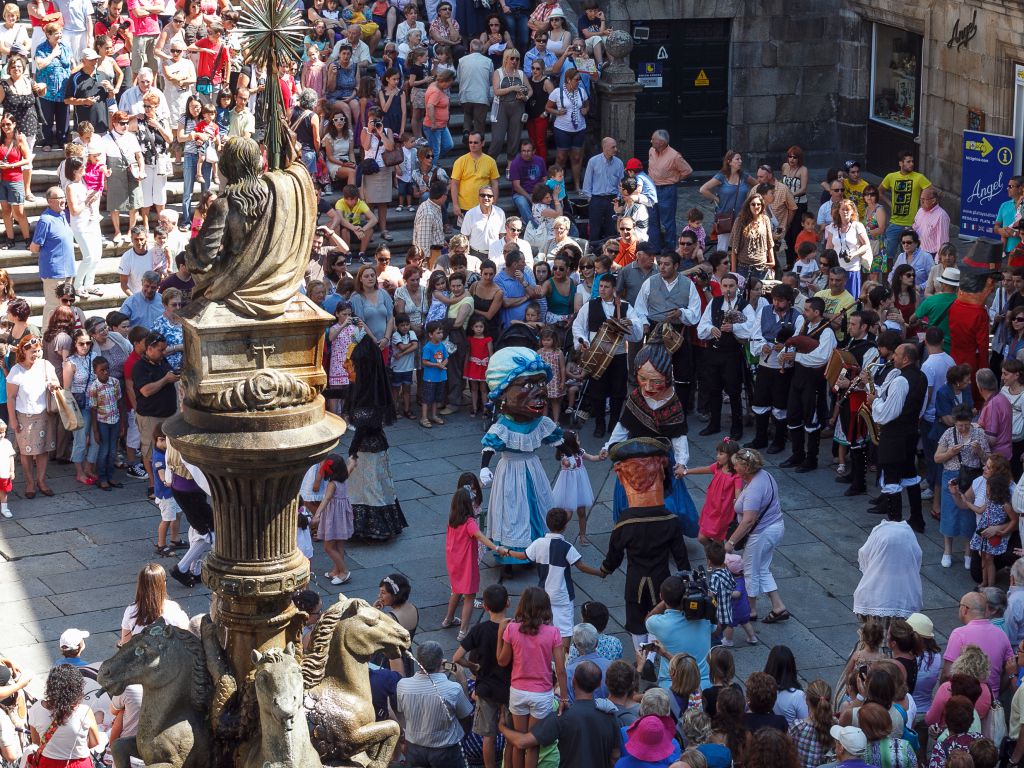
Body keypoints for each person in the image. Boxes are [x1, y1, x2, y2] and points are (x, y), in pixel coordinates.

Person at [499, 660, 621, 768]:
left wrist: (502, 728)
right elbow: (615, 756)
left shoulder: (562, 716)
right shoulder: (610, 716)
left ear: (573, 682)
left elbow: (523, 742)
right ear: (599, 684)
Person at [454, 583, 511, 768]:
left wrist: (473, 666)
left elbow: (457, 657)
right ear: (508, 603)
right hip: (511, 688)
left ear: (485, 607)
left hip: (486, 688)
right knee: (511, 733)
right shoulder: (514, 628)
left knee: (488, 735)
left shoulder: (479, 630)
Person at [778, 297, 837, 472]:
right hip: (798, 378)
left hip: (814, 381)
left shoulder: (826, 332)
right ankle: (797, 454)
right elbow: (794, 341)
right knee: (793, 415)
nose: (804, 312)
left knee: (812, 419)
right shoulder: (804, 325)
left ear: (817, 312)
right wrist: (784, 353)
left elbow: (821, 358)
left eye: (808, 310)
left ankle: (811, 459)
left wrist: (796, 357)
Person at [696, 273, 755, 439]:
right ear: (721, 287)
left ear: (737, 288)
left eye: (731, 286)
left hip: (732, 354)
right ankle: (713, 424)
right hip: (713, 353)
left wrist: (734, 328)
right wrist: (710, 329)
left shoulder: (744, 305)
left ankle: (737, 428)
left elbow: (751, 328)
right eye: (725, 286)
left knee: (734, 391)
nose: (728, 290)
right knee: (713, 389)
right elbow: (703, 326)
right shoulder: (715, 303)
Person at [396, 641, 474, 768]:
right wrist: (462, 680)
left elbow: (402, 713)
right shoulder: (453, 689)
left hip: (414, 749)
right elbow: (466, 716)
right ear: (441, 661)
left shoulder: (402, 685)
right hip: (446, 752)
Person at [6, 336, 61, 499]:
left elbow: (56, 383)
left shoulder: (46, 365)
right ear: (23, 350)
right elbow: (11, 397)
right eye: (33, 351)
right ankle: (30, 482)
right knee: (26, 452)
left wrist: (53, 385)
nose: (36, 354)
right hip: (25, 416)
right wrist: (13, 421)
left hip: (44, 413)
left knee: (43, 450)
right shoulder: (16, 370)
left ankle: (41, 481)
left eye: (38, 351)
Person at [853, 508, 923, 620]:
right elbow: (917, 555)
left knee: (873, 635)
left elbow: (864, 553)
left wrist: (871, 569)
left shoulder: (879, 532)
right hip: (905, 600)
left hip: (873, 599)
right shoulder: (908, 534)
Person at [27, 664, 101, 768]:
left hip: (48, 763)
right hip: (78, 764)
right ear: (77, 687)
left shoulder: (36, 708)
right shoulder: (84, 711)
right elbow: (94, 743)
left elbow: (36, 741)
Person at [944, 591, 1014, 698]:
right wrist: (997, 692)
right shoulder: (1002, 635)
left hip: (964, 699)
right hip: (991, 699)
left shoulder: (959, 634)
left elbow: (947, 674)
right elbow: (1010, 669)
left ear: (964, 609)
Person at [31, 187, 76, 326]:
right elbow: (34, 247)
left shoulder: (62, 214)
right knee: (52, 306)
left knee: (64, 307)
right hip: (54, 273)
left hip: (68, 270)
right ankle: (46, 337)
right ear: (50, 201)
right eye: (59, 198)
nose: (63, 200)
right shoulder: (45, 220)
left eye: (64, 197)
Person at [119, 563, 189, 642]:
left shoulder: (131, 610)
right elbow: (185, 635)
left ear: (140, 585)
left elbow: (125, 642)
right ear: (163, 584)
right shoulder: (173, 609)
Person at [647, 130, 692, 253]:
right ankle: (654, 246)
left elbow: (687, 170)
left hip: (666, 190)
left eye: (653, 139)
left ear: (661, 143)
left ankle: (669, 248)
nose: (651, 141)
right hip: (651, 189)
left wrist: (675, 180)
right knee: (652, 219)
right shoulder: (651, 151)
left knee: (668, 222)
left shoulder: (674, 156)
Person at [451, 131, 499, 225]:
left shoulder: (491, 161)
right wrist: (455, 205)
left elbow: (495, 183)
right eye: (470, 142)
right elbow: (454, 184)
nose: (472, 145)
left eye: (475, 142)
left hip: (484, 205)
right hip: (464, 206)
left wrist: (494, 201)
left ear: (483, 143)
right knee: (465, 236)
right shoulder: (460, 161)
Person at [582, 136, 623, 241]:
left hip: (613, 199)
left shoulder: (619, 163)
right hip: (597, 198)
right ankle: (593, 252)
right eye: (613, 147)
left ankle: (610, 252)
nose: (616, 149)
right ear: (604, 147)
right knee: (594, 228)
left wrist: (619, 198)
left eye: (615, 147)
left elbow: (621, 183)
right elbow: (587, 181)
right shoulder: (593, 161)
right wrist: (590, 198)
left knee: (611, 228)